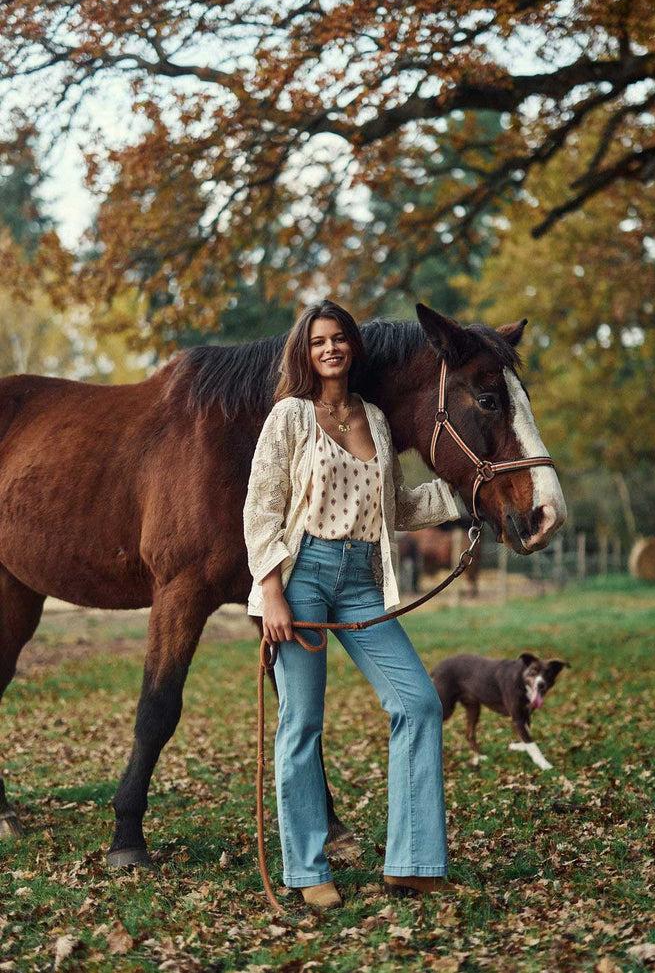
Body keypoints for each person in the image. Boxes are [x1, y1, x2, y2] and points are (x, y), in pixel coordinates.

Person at [243, 299, 462, 910]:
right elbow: (260, 508)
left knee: (417, 703)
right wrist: (272, 592)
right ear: (305, 353)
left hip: (363, 579)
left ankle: (413, 860)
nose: (330, 349)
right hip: (303, 575)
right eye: (318, 341)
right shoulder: (290, 417)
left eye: (338, 338)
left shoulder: (375, 419)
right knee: (302, 724)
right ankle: (307, 868)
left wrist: (466, 493)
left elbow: (394, 505)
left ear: (352, 347)